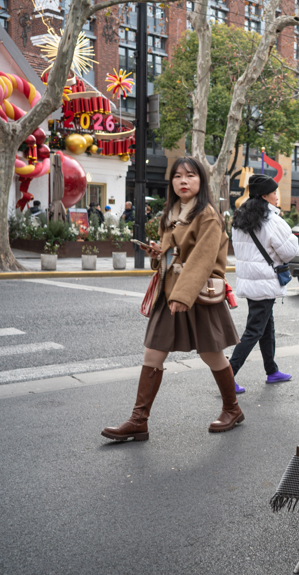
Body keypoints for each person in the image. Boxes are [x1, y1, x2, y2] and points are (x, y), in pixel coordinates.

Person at [102, 157, 241, 440]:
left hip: (197, 295)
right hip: (171, 292)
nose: (183, 181)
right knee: (153, 353)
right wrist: (159, 254)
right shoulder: (171, 213)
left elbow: (202, 260)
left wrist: (182, 295)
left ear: (201, 180)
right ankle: (138, 420)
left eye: (190, 175)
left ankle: (232, 409)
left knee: (211, 354)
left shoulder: (208, 215)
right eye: (177, 176)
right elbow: (174, 255)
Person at [228, 175, 298, 393]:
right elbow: (290, 251)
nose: (277, 196)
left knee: (266, 326)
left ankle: (271, 370)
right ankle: (227, 376)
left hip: (251, 281)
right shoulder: (271, 220)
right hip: (265, 281)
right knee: (254, 330)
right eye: (274, 192)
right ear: (265, 196)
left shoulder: (240, 218)